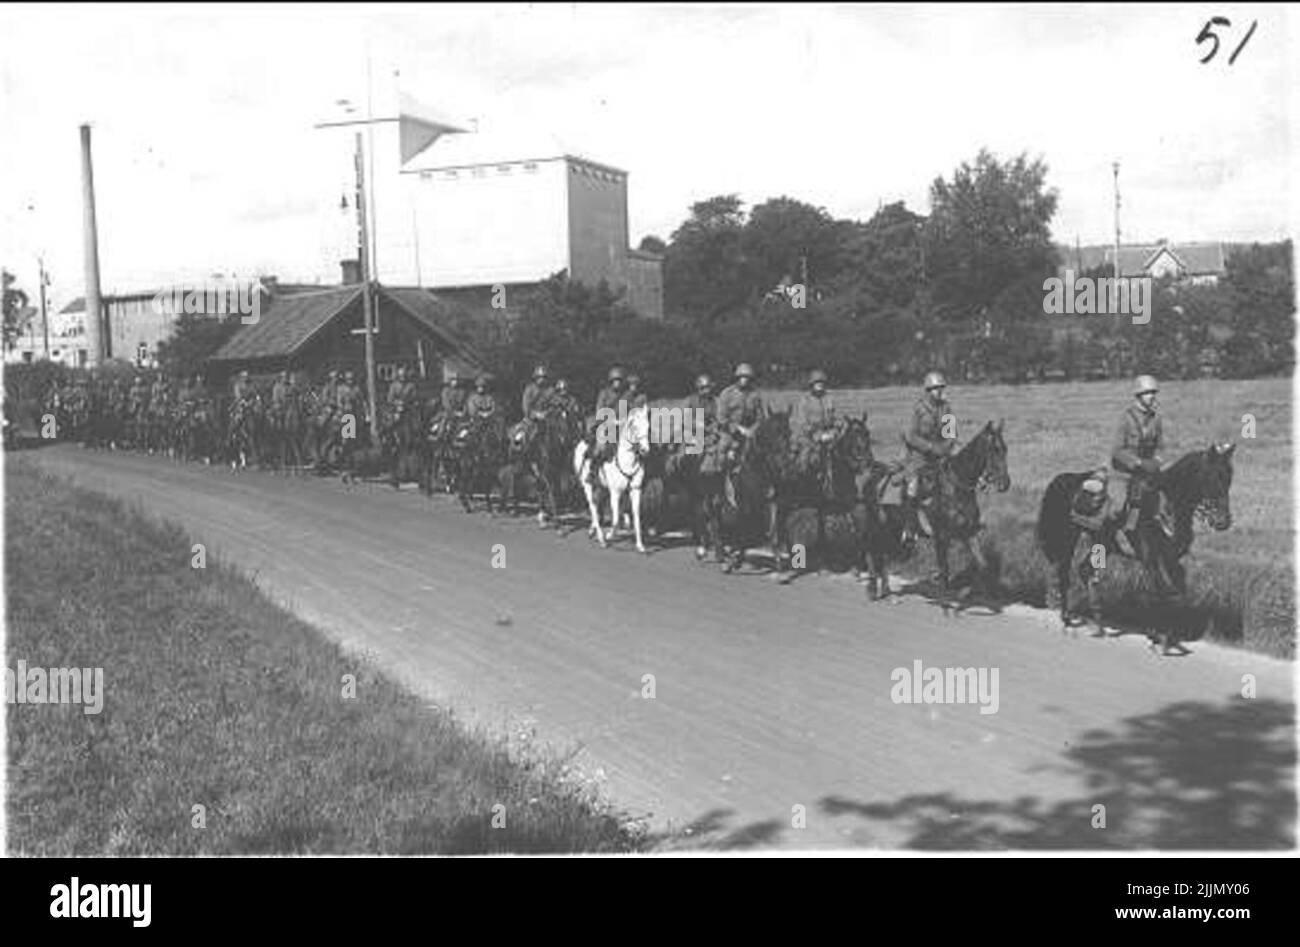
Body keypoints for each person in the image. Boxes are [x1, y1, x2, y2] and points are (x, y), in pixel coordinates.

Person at [1111, 374, 1167, 556]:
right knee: (1118, 507)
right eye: (1148, 393)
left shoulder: (1156, 419)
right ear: (1138, 395)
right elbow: (1117, 450)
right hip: (1125, 471)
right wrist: (1137, 463)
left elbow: (1160, 446)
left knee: (1167, 497)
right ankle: (1114, 538)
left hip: (1148, 471)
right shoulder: (1125, 418)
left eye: (1153, 393)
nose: (1152, 396)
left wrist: (1157, 461)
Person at [900, 371, 954, 543]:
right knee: (913, 486)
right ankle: (909, 528)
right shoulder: (919, 408)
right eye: (935, 388)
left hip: (940, 455)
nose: (938, 391)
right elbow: (910, 435)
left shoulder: (946, 408)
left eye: (940, 388)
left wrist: (946, 448)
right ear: (928, 390)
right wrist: (930, 447)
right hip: (918, 456)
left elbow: (950, 433)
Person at [713, 363, 767, 478]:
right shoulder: (727, 393)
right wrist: (738, 428)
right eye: (742, 377)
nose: (744, 380)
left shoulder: (755, 395)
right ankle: (720, 481)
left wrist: (753, 429)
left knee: (765, 453)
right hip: (729, 432)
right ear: (737, 378)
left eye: (747, 377)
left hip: (750, 432)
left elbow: (760, 417)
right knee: (723, 450)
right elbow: (721, 418)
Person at [791, 369, 845, 474]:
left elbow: (837, 418)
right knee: (806, 456)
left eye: (822, 383)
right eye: (817, 383)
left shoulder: (829, 398)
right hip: (808, 437)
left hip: (830, 435)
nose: (820, 385)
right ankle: (802, 480)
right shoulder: (805, 400)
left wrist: (836, 430)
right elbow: (802, 424)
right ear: (812, 384)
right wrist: (818, 435)